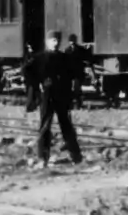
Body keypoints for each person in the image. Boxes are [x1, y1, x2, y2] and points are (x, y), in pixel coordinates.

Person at [21, 29, 82, 167]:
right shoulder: (39, 58)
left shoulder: (65, 58)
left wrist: (73, 90)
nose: (56, 43)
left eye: (58, 41)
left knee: (66, 126)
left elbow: (75, 73)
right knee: (45, 127)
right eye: (53, 40)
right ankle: (43, 157)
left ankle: (76, 156)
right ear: (47, 42)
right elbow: (26, 71)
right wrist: (39, 84)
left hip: (62, 96)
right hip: (47, 96)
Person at [64, 34, 89, 109]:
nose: (72, 43)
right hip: (70, 72)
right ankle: (71, 104)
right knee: (70, 89)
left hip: (78, 72)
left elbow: (86, 57)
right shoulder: (67, 50)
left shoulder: (80, 49)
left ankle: (78, 104)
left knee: (77, 89)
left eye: (72, 41)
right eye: (71, 41)